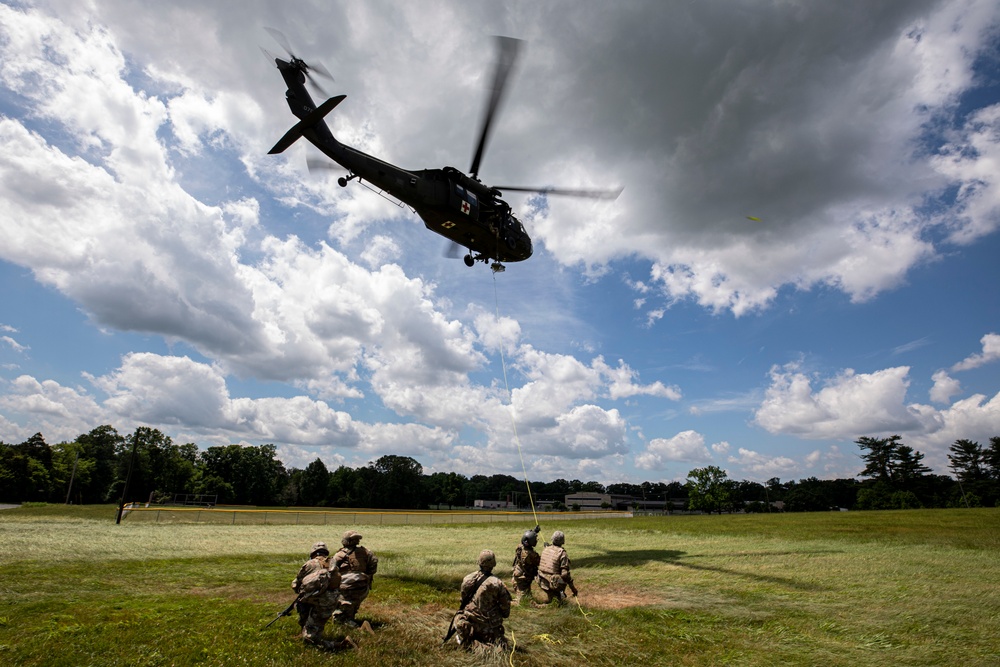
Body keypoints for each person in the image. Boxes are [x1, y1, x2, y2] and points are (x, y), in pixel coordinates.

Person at [451, 549, 512, 649]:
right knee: (499, 643)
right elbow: (506, 612)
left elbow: (463, 600)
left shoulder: (468, 578)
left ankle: (467, 641)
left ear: (479, 562)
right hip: (488, 627)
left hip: (470, 621)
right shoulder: (497, 584)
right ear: (493, 564)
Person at [290, 541, 342, 649]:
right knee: (316, 623)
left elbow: (296, 583)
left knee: (310, 640)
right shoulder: (333, 563)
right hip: (330, 602)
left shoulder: (309, 564)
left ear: (313, 553)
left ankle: (340, 645)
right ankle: (310, 630)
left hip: (316, 601)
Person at [333, 530, 378, 627]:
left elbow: (332, 569)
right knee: (354, 603)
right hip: (362, 585)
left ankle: (342, 620)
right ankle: (349, 617)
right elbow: (374, 562)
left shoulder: (340, 554)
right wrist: (368, 575)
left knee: (344, 602)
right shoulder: (366, 552)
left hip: (345, 585)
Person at [537, 530, 578, 605]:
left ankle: (556, 597)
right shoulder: (562, 553)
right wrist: (573, 589)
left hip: (541, 580)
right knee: (557, 603)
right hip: (552, 583)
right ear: (562, 541)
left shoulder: (546, 549)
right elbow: (565, 574)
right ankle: (553, 601)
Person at [511, 527, 541, 603]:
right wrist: (548, 548)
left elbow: (526, 539)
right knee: (523, 601)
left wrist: (534, 532)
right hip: (523, 580)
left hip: (516, 576)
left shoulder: (520, 547)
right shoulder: (530, 554)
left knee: (527, 596)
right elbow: (541, 561)